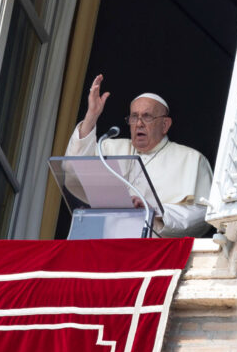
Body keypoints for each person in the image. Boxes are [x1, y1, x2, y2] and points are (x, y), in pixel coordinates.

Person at [64, 74, 213, 237]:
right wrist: (91, 116)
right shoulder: (108, 148)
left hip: (155, 253)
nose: (139, 123)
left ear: (165, 124)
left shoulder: (191, 159)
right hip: (106, 245)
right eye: (134, 117)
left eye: (147, 116)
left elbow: (203, 215)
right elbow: (73, 168)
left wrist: (154, 212)